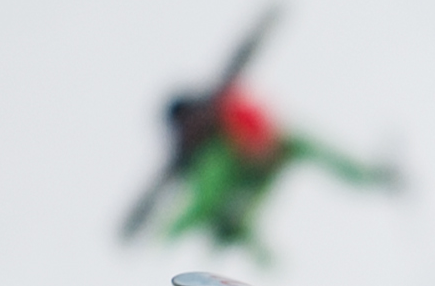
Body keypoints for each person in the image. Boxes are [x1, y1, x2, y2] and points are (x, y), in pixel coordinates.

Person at [135, 78, 396, 259]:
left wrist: (374, 177)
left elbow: (332, 160)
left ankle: (254, 258)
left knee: (243, 221)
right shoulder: (218, 154)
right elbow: (201, 203)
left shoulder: (270, 142)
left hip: (259, 167)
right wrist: (164, 239)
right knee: (233, 220)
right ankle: (231, 249)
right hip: (247, 167)